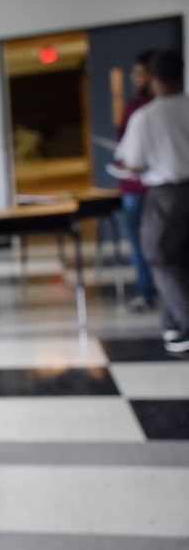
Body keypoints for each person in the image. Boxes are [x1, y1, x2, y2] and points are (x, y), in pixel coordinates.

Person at [114, 49, 189, 353]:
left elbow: (131, 160)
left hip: (166, 194)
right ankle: (172, 325)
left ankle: (184, 322)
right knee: (183, 257)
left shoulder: (145, 116)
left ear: (154, 79)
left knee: (158, 255)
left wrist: (126, 168)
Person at [116, 49, 157, 313]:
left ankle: (153, 293)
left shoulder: (141, 112)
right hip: (137, 187)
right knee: (142, 244)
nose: (135, 79)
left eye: (139, 74)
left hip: (149, 187)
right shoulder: (133, 109)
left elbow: (128, 155)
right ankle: (148, 291)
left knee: (149, 245)